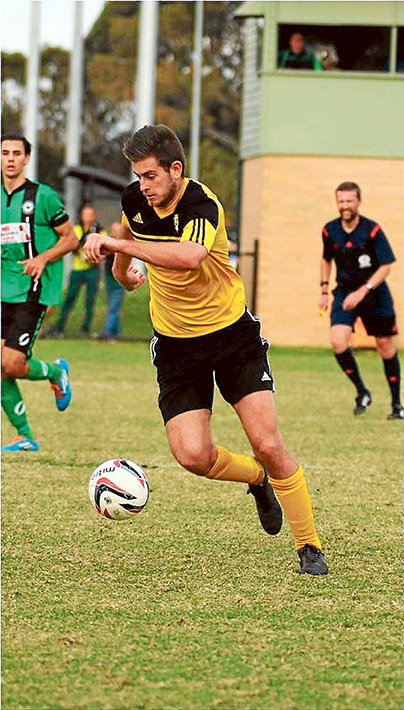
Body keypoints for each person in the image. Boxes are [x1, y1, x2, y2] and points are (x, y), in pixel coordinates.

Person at [84, 124, 328, 576]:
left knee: (268, 444)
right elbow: (125, 233)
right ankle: (257, 480)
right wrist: (122, 273)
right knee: (192, 456)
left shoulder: (200, 204)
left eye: (151, 176)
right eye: (137, 176)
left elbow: (189, 256)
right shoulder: (135, 200)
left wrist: (117, 244)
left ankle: (308, 545)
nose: (143, 186)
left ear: (175, 170)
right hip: (176, 347)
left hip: (232, 338)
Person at [1, 132, 75, 451]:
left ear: (27, 158)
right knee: (1, 367)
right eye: (5, 153)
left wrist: (42, 258)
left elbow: (70, 239)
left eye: (17, 153)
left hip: (32, 291)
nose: (11, 159)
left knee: (13, 364)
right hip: (3, 290)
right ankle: (24, 436)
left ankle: (56, 372)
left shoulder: (43, 196)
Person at [319, 181, 403, 420]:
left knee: (385, 346)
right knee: (338, 341)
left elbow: (386, 266)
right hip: (345, 294)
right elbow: (326, 259)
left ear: (358, 202)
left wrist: (363, 291)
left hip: (375, 295)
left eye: (349, 201)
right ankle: (362, 391)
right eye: (341, 201)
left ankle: (397, 404)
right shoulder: (329, 230)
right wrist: (324, 290)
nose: (345, 206)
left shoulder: (372, 230)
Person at [44, 204, 106, 337]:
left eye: (91, 215)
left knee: (90, 300)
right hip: (77, 270)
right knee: (69, 299)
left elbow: (104, 249)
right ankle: (59, 327)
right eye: (86, 214)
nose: (88, 218)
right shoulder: (76, 229)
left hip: (92, 270)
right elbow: (72, 245)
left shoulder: (100, 231)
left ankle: (85, 329)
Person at [97, 222, 125, 340]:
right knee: (112, 306)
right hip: (109, 278)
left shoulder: (124, 245)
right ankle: (116, 332)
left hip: (120, 280)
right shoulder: (108, 243)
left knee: (113, 306)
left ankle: (106, 332)